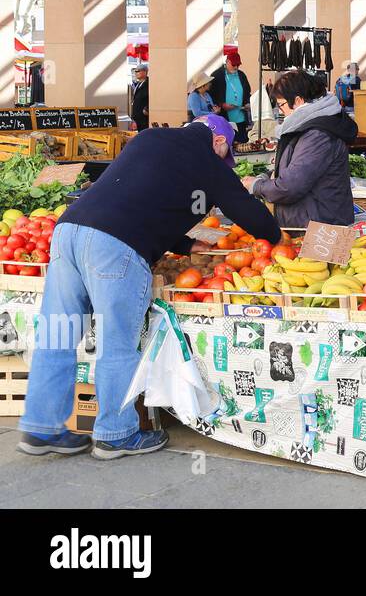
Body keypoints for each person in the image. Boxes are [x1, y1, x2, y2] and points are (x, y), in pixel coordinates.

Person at [18, 115, 280, 459]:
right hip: (115, 246)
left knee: (58, 332)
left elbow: (142, 196)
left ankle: (41, 428)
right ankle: (116, 434)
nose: (223, 162)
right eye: (225, 154)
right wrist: (275, 237)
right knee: (118, 342)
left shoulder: (147, 139)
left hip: (68, 232)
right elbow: (249, 212)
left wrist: (185, 245)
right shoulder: (206, 159)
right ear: (218, 142)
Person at [244, 71, 357, 226]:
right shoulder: (310, 127)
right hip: (311, 220)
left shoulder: (318, 135)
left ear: (298, 100)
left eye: (281, 105)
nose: (281, 111)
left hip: (318, 226)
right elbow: (296, 167)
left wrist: (256, 186)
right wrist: (267, 176)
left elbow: (291, 186)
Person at [210, 51, 252, 144]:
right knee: (228, 144)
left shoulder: (241, 75)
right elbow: (211, 94)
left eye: (238, 65)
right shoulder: (217, 75)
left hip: (240, 117)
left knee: (243, 143)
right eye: (234, 65)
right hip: (225, 119)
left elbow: (247, 91)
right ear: (227, 61)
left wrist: (247, 103)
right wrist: (221, 104)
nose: (236, 67)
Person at [128, 64, 148, 131]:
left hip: (144, 119)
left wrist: (147, 109)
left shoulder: (149, 84)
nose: (136, 73)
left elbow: (153, 98)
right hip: (137, 119)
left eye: (138, 71)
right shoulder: (138, 84)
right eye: (135, 71)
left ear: (145, 72)